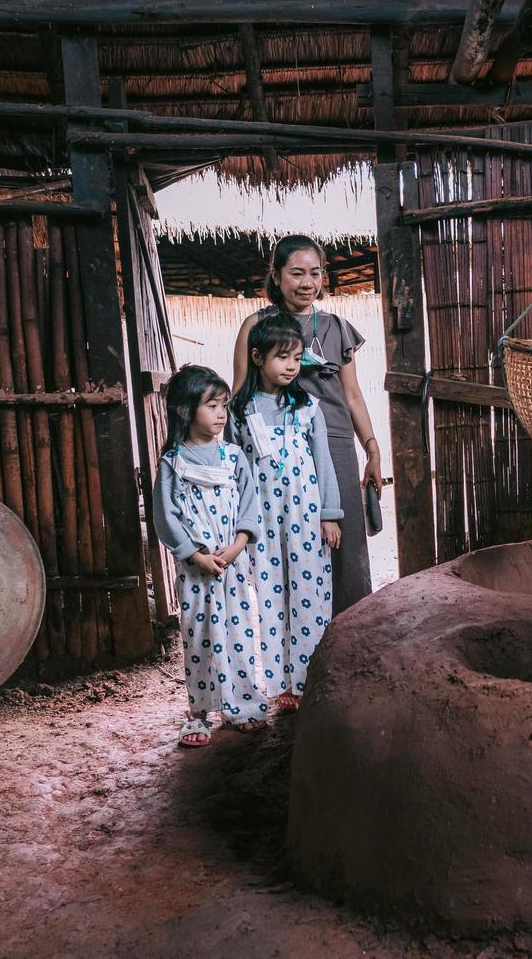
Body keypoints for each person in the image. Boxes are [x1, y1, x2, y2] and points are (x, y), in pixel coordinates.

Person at [233, 234, 380, 616]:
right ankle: (301, 643)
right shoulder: (257, 325)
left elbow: (352, 396)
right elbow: (239, 396)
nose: (307, 283)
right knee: (288, 548)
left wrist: (372, 448)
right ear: (277, 275)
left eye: (315, 273)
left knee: (345, 546)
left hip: (334, 443)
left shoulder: (337, 327)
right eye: (296, 273)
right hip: (276, 453)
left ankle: (350, 637)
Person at [230, 312, 342, 714]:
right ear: (258, 357)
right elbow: (232, 469)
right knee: (270, 597)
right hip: (259, 519)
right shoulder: (237, 411)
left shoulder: (309, 407)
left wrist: (329, 514)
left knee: (309, 595)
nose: (292, 365)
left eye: (297, 357)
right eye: (283, 356)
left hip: (306, 516)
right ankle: (280, 684)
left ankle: (308, 677)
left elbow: (323, 461)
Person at [151, 365, 265, 748]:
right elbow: (165, 519)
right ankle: (199, 712)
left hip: (232, 567)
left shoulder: (234, 458)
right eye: (212, 405)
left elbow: (250, 507)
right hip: (196, 572)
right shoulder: (173, 464)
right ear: (185, 411)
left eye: (224, 405)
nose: (221, 413)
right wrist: (194, 555)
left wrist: (236, 547)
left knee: (238, 634)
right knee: (198, 636)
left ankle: (244, 705)